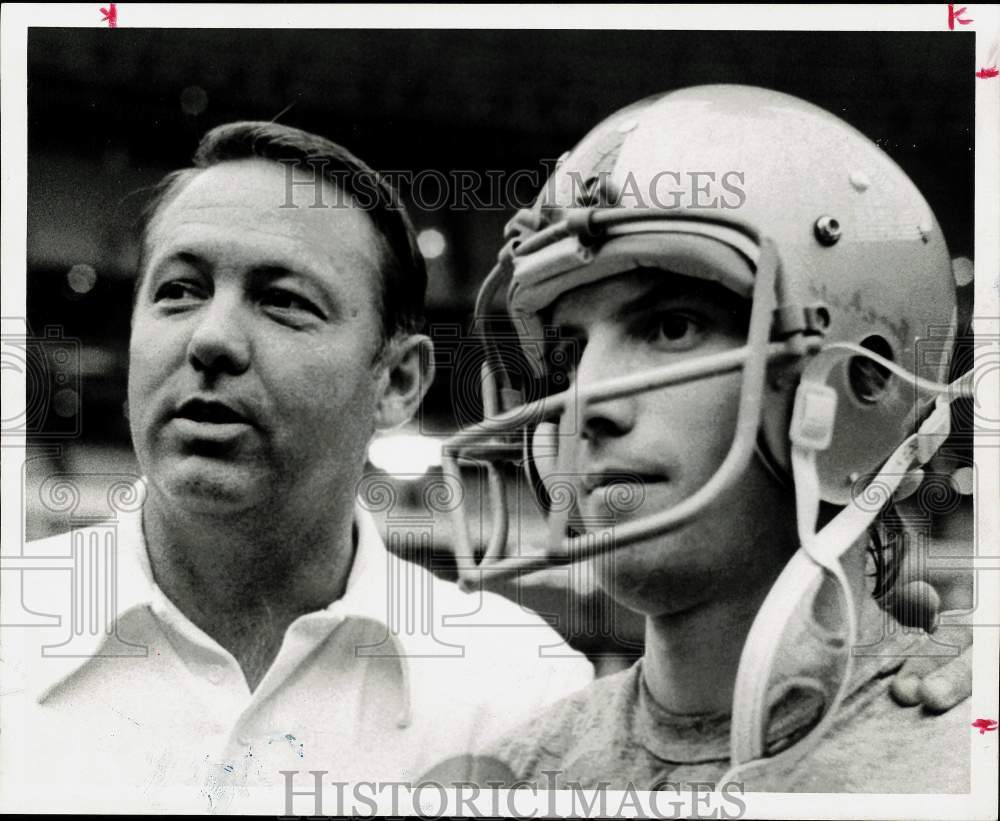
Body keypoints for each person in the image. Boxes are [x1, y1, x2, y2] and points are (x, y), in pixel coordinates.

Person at [0, 122, 594, 813]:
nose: (211, 338)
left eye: (283, 300)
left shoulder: (523, 693)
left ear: (398, 382)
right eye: (179, 290)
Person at [438, 85, 976, 793]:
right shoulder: (506, 773)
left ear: (860, 388)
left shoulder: (968, 755)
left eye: (670, 328)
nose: (582, 407)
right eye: (569, 353)